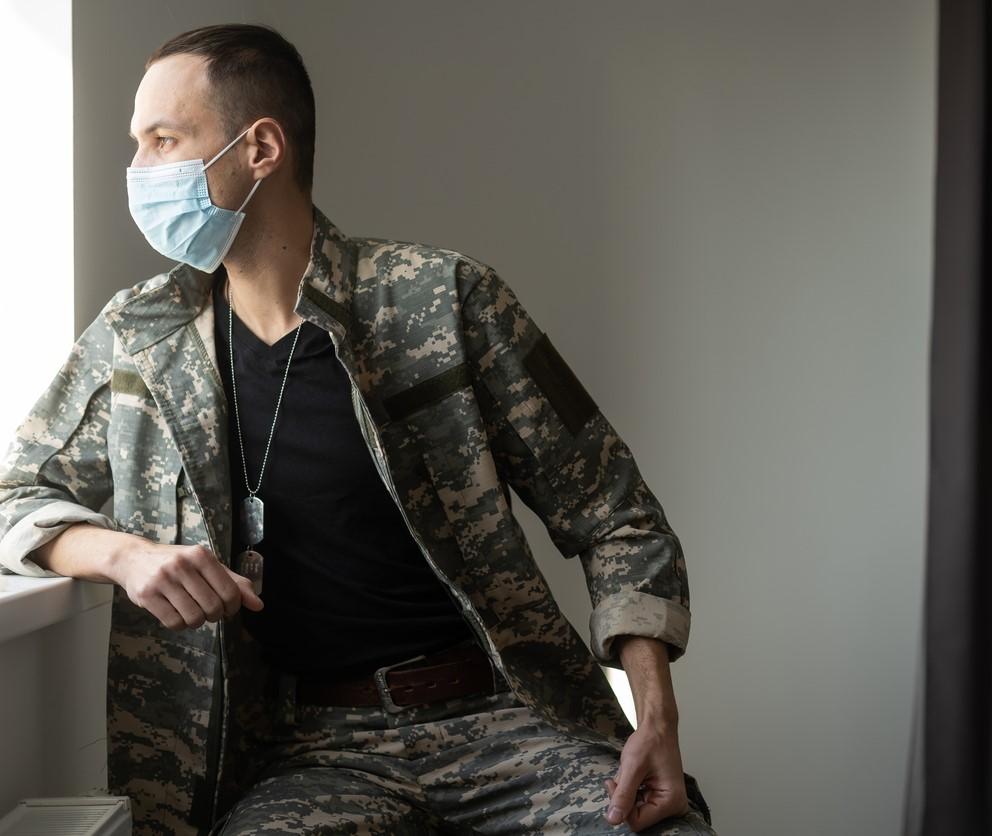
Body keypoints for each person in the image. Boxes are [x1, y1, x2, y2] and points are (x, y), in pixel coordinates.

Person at [0, 22, 715, 836]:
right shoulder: (139, 338)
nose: (137, 171)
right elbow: (14, 495)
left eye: (163, 139)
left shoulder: (444, 301)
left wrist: (656, 722)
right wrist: (125, 556)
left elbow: (617, 515)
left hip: (506, 720)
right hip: (309, 753)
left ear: (259, 147)